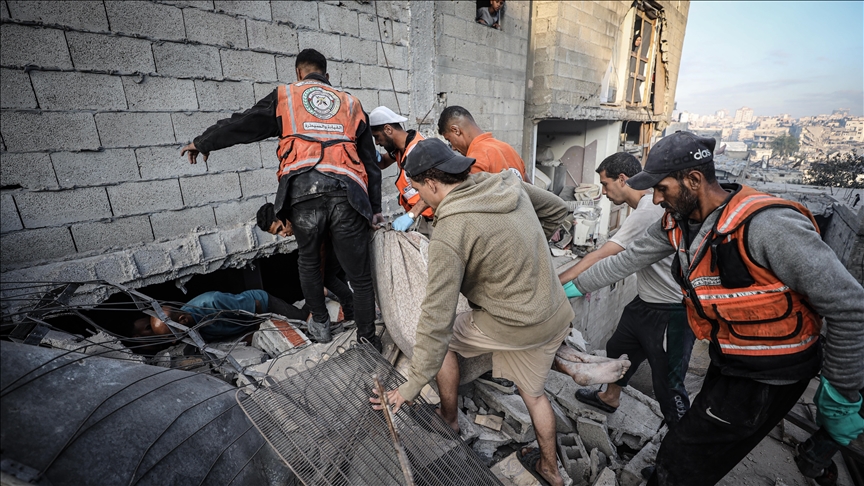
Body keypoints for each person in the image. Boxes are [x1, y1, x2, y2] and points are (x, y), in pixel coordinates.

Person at [564, 131, 864, 485]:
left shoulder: (767, 226)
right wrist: (565, 289)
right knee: (692, 438)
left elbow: (849, 306)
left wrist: (841, 391)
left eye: (662, 189)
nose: (656, 199)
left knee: (691, 456)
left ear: (693, 180)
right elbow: (623, 262)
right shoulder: (677, 224)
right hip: (728, 357)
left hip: (771, 372)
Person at [370, 138, 575, 486]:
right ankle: (550, 471)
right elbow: (557, 211)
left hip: (514, 323)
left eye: (419, 190)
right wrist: (521, 241)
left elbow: (436, 322)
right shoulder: (506, 182)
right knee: (534, 395)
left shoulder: (451, 231)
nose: (423, 199)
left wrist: (412, 384)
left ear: (433, 183)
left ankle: (449, 417)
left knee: (442, 341)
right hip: (553, 314)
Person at [180, 49, 383, 350]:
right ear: (327, 77)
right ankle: (368, 340)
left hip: (303, 191)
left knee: (309, 263)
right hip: (348, 192)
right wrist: (375, 209)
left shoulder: (286, 95)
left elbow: (245, 123)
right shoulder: (352, 104)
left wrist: (204, 141)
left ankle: (322, 327)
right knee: (361, 276)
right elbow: (370, 163)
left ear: (299, 74)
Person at [557, 152, 695, 427]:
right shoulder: (644, 209)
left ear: (623, 179)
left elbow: (603, 256)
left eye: (606, 184)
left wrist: (558, 283)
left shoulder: (648, 211)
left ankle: (678, 450)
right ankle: (610, 398)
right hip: (645, 301)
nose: (604, 192)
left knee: (668, 382)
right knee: (619, 348)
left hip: (672, 311)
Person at [256, 202, 354, 328]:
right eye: (277, 234)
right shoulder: (296, 220)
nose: (283, 235)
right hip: (336, 238)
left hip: (344, 234)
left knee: (328, 277)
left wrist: (319, 282)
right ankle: (352, 315)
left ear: (282, 215)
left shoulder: (301, 219)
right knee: (336, 275)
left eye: (280, 228)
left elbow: (321, 250)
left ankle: (355, 310)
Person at [133, 290, 305, 342]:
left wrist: (264, 329)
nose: (174, 340)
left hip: (263, 304)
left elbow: (257, 307)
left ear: (182, 320)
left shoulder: (213, 303)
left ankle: (319, 293)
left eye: (174, 335)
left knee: (304, 321)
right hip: (241, 324)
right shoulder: (187, 325)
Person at [368, 105, 433, 234]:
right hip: (422, 216)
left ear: (388, 129)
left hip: (434, 218)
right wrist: (369, 154)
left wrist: (411, 215)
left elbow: (432, 189)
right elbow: (383, 162)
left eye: (377, 137)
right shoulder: (400, 148)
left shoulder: (418, 150)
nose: (376, 143)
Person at [437, 105, 527, 181]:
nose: (453, 148)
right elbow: (532, 191)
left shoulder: (475, 159)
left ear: (456, 130)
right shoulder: (509, 149)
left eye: (449, 140)